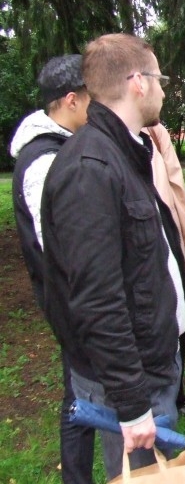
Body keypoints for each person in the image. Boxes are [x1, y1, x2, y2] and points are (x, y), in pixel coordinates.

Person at [41, 34, 185, 481]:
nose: (164, 88)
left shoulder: (126, 151)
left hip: (150, 368)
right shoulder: (91, 169)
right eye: (159, 77)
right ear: (138, 83)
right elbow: (97, 300)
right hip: (126, 386)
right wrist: (131, 406)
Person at [11, 55, 95, 484]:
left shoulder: (64, 147)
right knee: (80, 398)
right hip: (74, 301)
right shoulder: (44, 160)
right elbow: (61, 243)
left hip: (78, 299)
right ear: (70, 100)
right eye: (91, 97)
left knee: (81, 393)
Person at [144, 123, 185, 414]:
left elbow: (176, 187)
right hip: (139, 246)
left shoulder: (155, 131)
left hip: (168, 239)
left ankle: (174, 392)